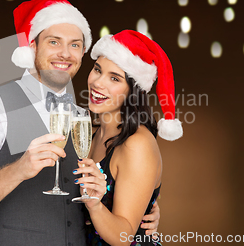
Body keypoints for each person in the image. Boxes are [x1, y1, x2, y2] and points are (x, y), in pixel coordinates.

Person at [0, 0, 160, 245]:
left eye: (75, 45)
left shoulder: (83, 118)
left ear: (82, 53)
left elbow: (126, 180)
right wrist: (19, 169)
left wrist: (147, 206)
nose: (65, 53)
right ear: (32, 45)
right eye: (54, 42)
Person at [72, 30, 183, 245]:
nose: (98, 83)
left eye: (114, 78)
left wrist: (94, 204)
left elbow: (124, 236)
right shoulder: (91, 136)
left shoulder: (137, 144)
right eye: (97, 70)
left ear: (132, 91)